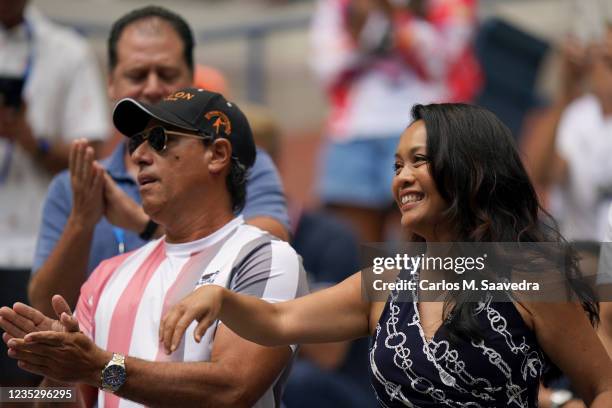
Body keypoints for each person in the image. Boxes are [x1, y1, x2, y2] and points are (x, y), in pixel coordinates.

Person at [158, 103, 612, 407]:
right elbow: (280, 322)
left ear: (470, 170)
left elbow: (601, 386)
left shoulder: (527, 274)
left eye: (419, 161)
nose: (402, 178)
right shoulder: (390, 279)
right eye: (397, 166)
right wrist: (222, 298)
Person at [1, 88, 308, 407]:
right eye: (136, 142)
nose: (138, 155)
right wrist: (56, 371)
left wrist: (99, 368)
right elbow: (68, 397)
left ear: (216, 154)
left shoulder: (265, 258)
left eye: (160, 139)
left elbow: (231, 388)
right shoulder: (109, 274)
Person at [28, 6, 290, 319]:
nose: (152, 87)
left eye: (166, 74)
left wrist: (144, 224)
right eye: (137, 75)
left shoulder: (239, 161)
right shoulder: (74, 187)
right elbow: (44, 309)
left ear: (192, 80)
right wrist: (82, 222)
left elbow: (267, 254)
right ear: (111, 83)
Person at [0, 0, 109, 385]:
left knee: (27, 390)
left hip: (35, 248)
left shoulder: (66, 50)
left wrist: (32, 141)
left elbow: (92, 157)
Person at [310, 0, 481, 242]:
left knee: (425, 246)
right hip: (353, 132)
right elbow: (326, 68)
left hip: (425, 128)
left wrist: (398, 21)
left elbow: (447, 63)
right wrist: (365, 34)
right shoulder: (339, 4)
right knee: (359, 254)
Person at [523, 28, 612, 241]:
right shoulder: (581, 113)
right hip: (574, 252)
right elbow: (541, 174)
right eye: (608, 62)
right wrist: (566, 92)